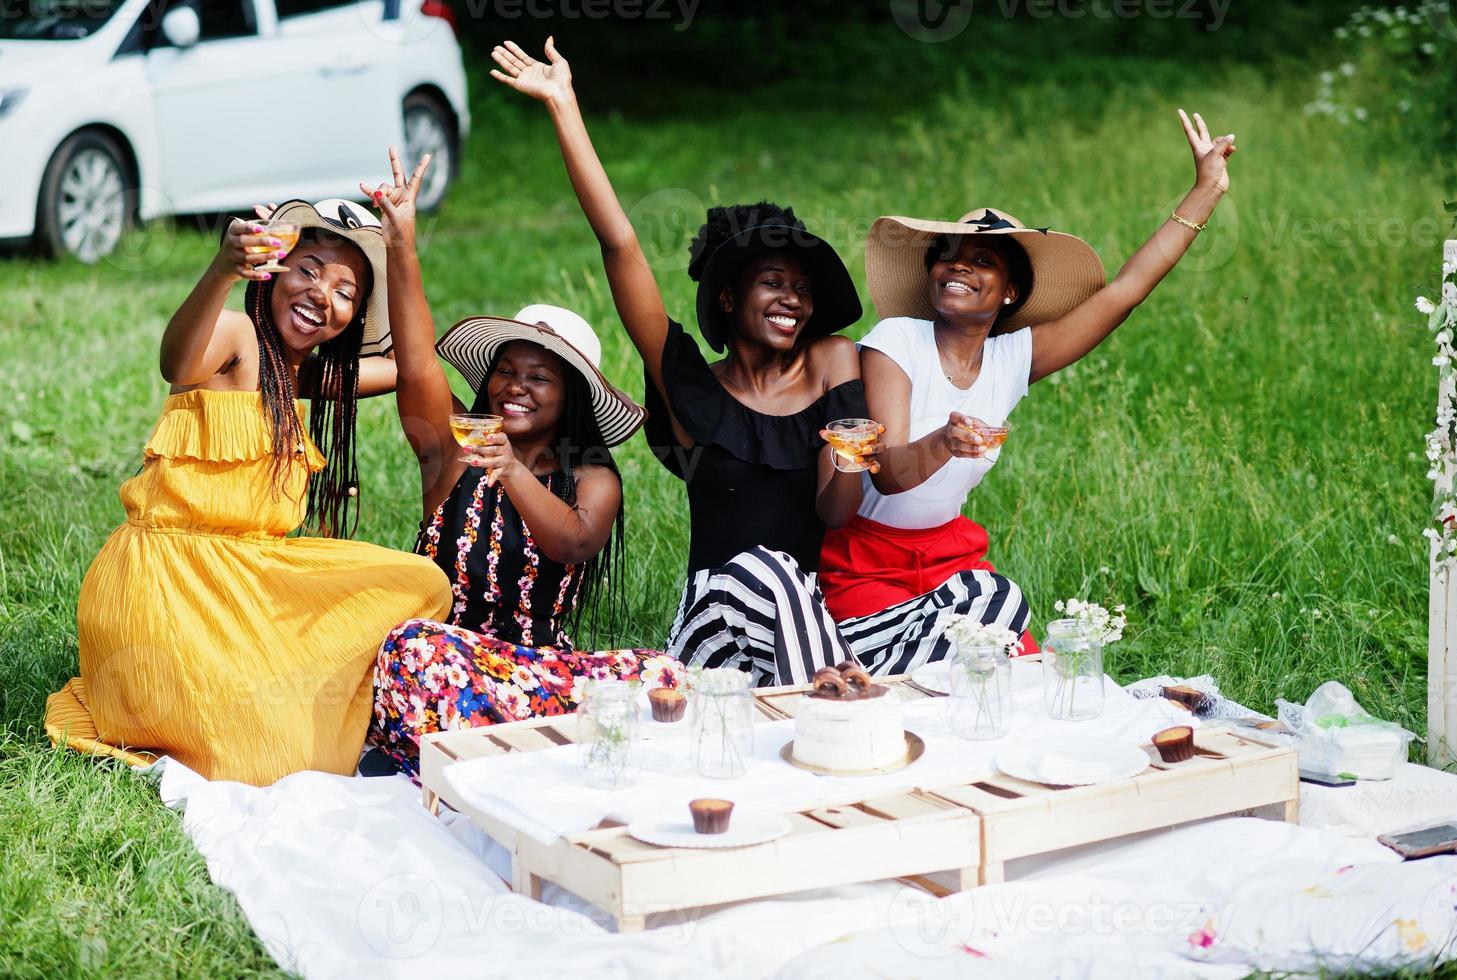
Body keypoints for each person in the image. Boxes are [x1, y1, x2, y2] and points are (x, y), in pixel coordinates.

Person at [492, 38, 1030, 686]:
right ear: (729, 296)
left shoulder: (833, 363)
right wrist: (565, 106)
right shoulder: (691, 387)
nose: (792, 299)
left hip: (809, 628)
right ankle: (835, 704)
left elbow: (835, 514)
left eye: (803, 289)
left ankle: (843, 695)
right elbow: (619, 244)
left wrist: (844, 452)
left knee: (991, 598)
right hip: (715, 628)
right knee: (766, 570)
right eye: (773, 282)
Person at [44, 199, 452, 786]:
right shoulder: (236, 337)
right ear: (273, 270)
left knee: (420, 582)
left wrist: (400, 247)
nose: (320, 295)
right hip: (166, 584)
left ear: (356, 317)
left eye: (346, 291)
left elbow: (414, 367)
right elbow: (177, 362)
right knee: (272, 761)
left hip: (243, 581)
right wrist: (223, 270)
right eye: (307, 269)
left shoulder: (298, 378)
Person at [822, 111, 1238, 636]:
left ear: (1011, 291)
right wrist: (944, 443)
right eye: (947, 256)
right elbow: (888, 471)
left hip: (949, 554)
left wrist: (1206, 189)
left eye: (982, 260)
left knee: (1001, 658)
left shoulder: (1010, 359)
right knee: (925, 670)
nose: (958, 266)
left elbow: (1125, 292)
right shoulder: (897, 340)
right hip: (867, 560)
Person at [359, 150, 680, 778]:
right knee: (410, 647)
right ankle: (516, 748)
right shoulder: (453, 450)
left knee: (665, 675)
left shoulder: (593, 478)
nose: (516, 386)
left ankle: (502, 744)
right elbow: (419, 362)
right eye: (506, 369)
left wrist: (512, 470)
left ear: (572, 398)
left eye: (539, 377)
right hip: (443, 662)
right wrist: (402, 242)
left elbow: (577, 542)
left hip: (539, 675)